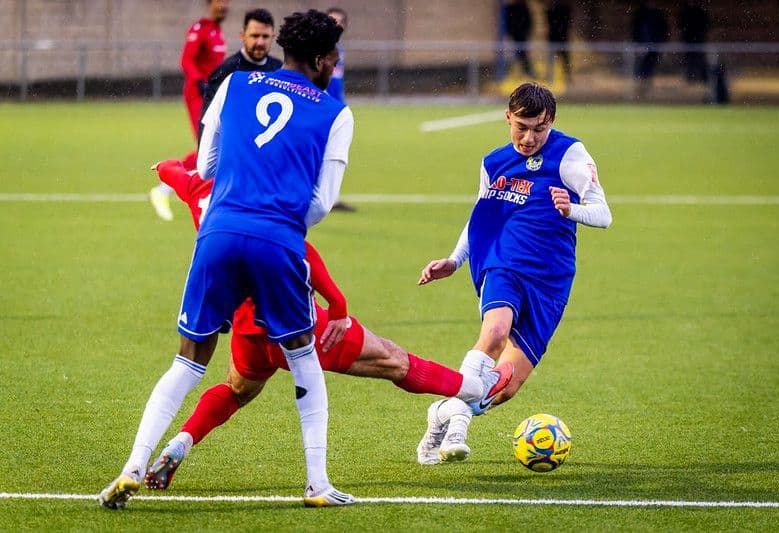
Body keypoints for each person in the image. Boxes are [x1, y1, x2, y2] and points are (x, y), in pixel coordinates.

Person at [100, 10, 353, 510]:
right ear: (324, 60)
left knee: (187, 361)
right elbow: (322, 202)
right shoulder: (335, 112)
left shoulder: (234, 84)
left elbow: (206, 165)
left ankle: (132, 465)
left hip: (219, 231)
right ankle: (317, 484)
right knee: (304, 360)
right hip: (277, 239)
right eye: (335, 58)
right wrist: (277, 207)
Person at [140, 160, 513, 491]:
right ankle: (475, 388)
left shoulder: (200, 190)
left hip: (247, 330)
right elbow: (300, 250)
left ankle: (182, 441)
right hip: (298, 326)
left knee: (237, 391)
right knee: (394, 360)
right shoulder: (258, 192)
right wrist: (337, 304)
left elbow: (174, 169)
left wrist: (165, 167)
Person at [415, 82, 612, 465]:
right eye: (521, 126)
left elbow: (604, 214)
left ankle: (442, 412)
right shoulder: (494, 162)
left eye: (538, 128)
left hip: (551, 280)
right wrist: (455, 260)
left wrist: (572, 211)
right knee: (495, 332)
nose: (529, 137)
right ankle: (457, 424)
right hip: (502, 262)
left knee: (506, 385)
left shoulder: (570, 154)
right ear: (508, 117)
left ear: (551, 121)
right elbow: (481, 217)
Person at [149, 0, 229, 221]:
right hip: (198, 95)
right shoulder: (200, 29)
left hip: (212, 96)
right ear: (209, 4)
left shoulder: (217, 32)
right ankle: (165, 186)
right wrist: (199, 81)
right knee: (209, 146)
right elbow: (187, 60)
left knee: (216, 145)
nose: (223, 5)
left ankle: (167, 187)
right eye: (218, 1)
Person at [197, 8, 283, 142]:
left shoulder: (279, 69)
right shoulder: (226, 70)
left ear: (273, 36)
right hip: (236, 150)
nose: (260, 42)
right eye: (255, 36)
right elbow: (208, 121)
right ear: (243, 35)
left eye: (265, 36)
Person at [325, 7, 357, 212]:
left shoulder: (339, 49)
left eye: (340, 22)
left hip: (337, 108)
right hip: (323, 109)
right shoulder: (319, 47)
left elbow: (337, 81)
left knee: (335, 153)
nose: (336, 25)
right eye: (332, 20)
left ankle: (332, 198)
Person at [631, 0, 669, 96]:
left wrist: (662, 44)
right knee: (641, 68)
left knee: (650, 67)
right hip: (642, 45)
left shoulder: (658, 15)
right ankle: (640, 89)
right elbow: (635, 29)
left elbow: (664, 30)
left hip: (655, 45)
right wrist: (638, 43)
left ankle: (647, 89)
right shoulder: (640, 14)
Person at [677, 1, 710, 83]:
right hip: (688, 39)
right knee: (689, 59)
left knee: (700, 59)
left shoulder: (700, 12)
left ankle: (703, 78)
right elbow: (681, 25)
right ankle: (690, 78)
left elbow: (706, 24)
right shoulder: (685, 12)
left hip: (699, 39)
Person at [503, 0, 534, 77]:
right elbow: (508, 22)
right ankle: (520, 71)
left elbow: (528, 22)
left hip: (520, 35)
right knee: (518, 54)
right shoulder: (512, 8)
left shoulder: (522, 8)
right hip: (516, 34)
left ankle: (525, 71)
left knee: (521, 53)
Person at [546, 0, 572, 83]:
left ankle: (566, 76)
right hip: (556, 38)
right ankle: (551, 77)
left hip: (560, 38)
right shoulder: (554, 9)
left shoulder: (562, 9)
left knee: (564, 58)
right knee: (554, 59)